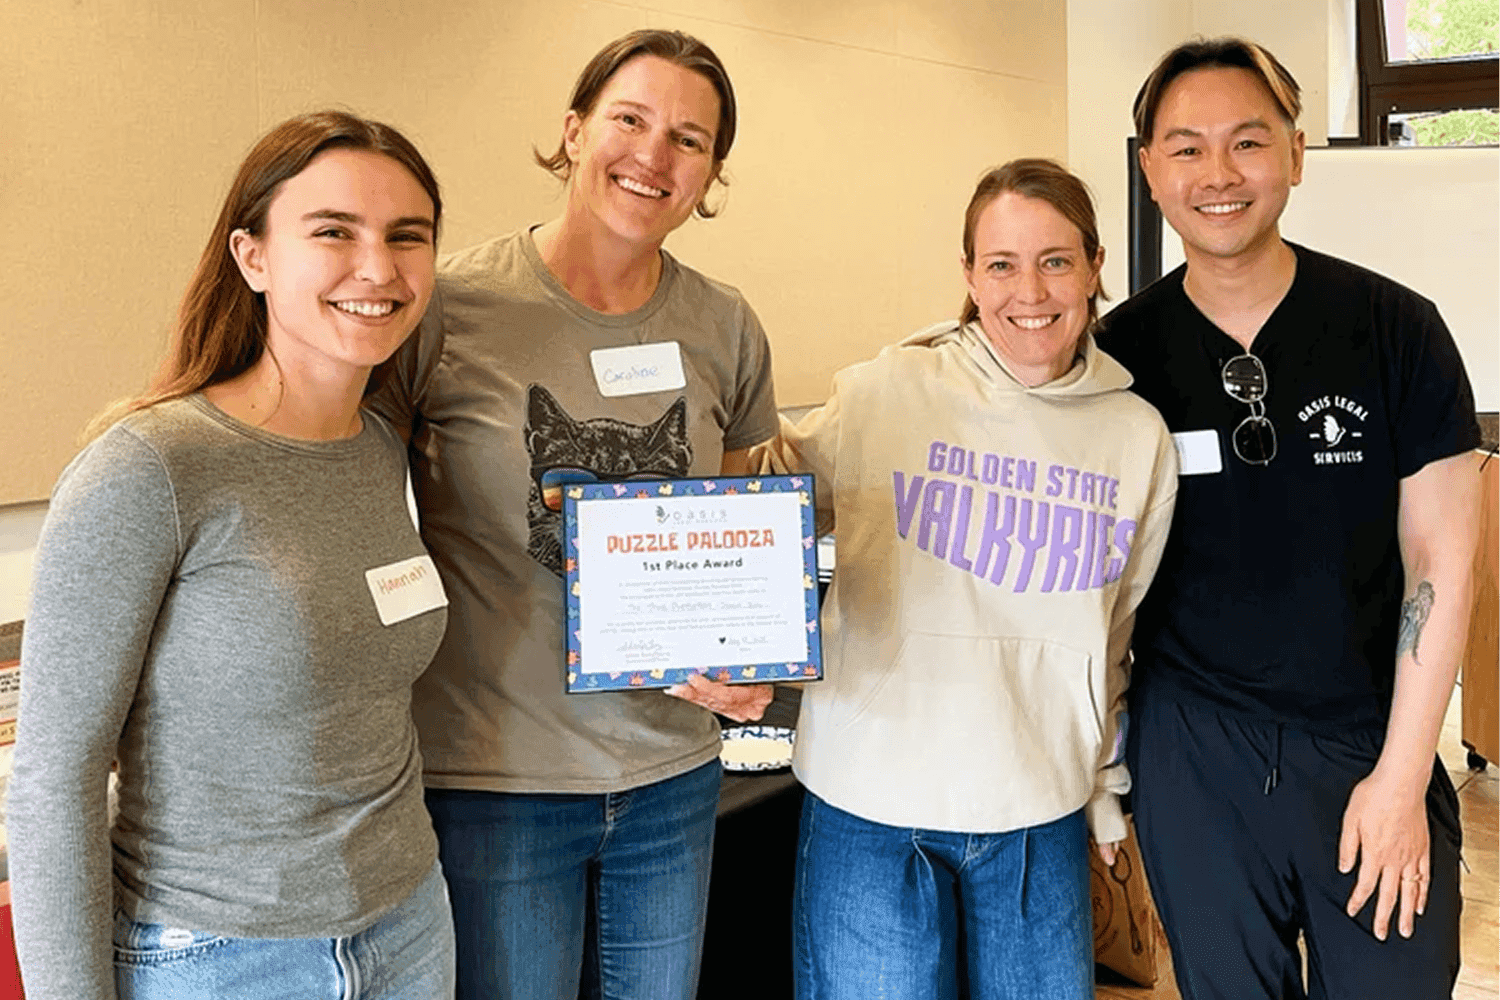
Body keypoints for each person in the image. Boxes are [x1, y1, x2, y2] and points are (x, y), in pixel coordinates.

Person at [365, 29, 778, 1000]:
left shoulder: (723, 324)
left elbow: (738, 526)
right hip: (495, 781)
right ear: (573, 129)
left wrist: (752, 654)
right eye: (629, 119)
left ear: (712, 172)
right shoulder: (446, 307)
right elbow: (353, 506)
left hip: (672, 773)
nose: (654, 155)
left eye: (690, 138)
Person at [8, 111, 454, 1000]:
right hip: (220, 958)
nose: (378, 267)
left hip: (408, 926)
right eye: (334, 232)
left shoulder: (379, 446)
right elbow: (52, 783)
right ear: (253, 257)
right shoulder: (151, 468)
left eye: (408, 236)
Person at [1097, 37, 1482, 1000]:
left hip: (1364, 737)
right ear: (1149, 168)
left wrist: (1401, 778)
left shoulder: (1395, 329)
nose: (1217, 175)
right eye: (1185, 148)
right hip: (1193, 753)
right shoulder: (1118, 356)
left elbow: (1442, 557)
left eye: (1248, 142)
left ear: (1297, 155)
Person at [759, 159, 1178, 1000]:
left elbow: (1114, 637)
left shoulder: (1137, 436)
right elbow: (766, 508)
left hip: (1038, 812)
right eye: (1002, 264)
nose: (1031, 289)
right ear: (969, 276)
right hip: (868, 807)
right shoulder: (884, 390)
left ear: (1096, 267)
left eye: (1056, 260)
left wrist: (1103, 791)